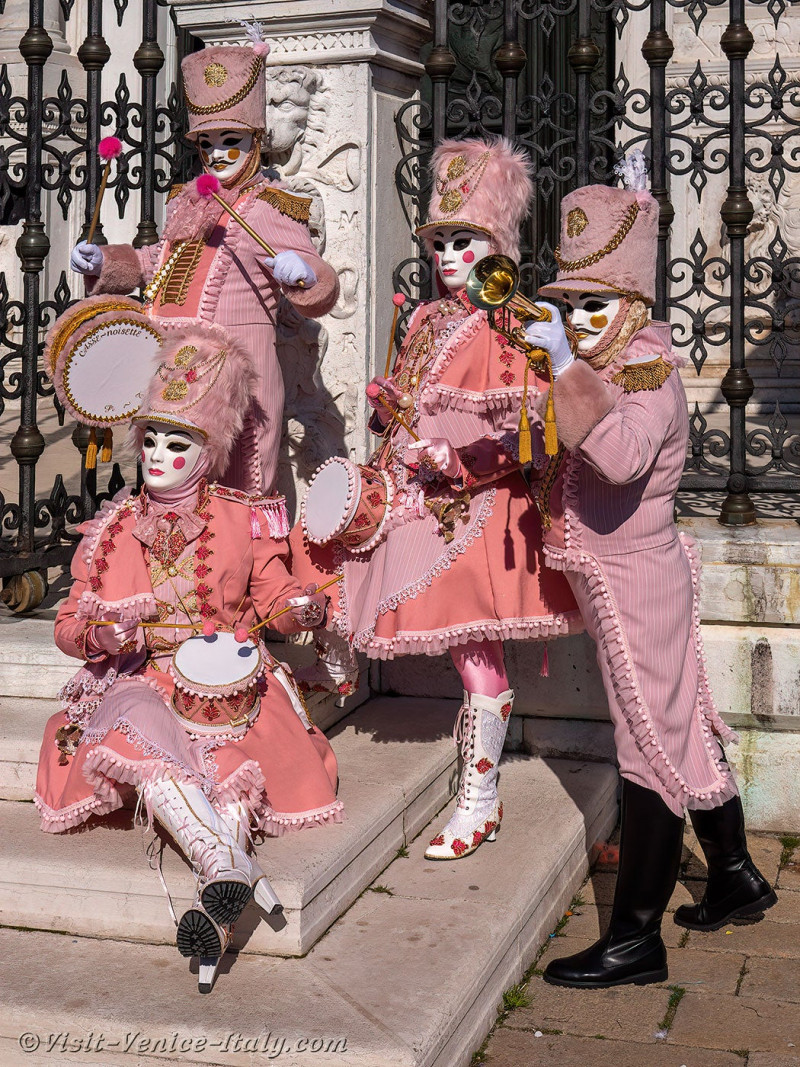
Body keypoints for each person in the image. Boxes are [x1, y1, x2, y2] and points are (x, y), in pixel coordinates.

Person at [517, 151, 777, 988]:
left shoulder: (649, 374)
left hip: (634, 578)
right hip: (621, 574)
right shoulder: (609, 366)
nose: (581, 321)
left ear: (631, 306)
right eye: (572, 307)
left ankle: (635, 938)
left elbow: (622, 457)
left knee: (649, 747)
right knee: (681, 725)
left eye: (595, 306)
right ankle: (734, 874)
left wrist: (565, 366)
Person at [290, 137, 580, 861]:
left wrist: (460, 459)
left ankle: (480, 799)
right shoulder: (424, 319)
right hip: (411, 493)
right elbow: (413, 414)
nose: (448, 255)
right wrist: (390, 410)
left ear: (496, 245)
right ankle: (326, 674)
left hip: (475, 508)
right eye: (440, 242)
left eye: (464, 240)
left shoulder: (513, 322)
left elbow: (535, 433)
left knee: (473, 645)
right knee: (317, 549)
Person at [34, 324, 342, 990]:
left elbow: (277, 596)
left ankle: (219, 887)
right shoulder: (112, 527)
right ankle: (228, 868)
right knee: (136, 727)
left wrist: (304, 610)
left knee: (226, 760)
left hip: (229, 680)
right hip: (141, 677)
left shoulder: (246, 515)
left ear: (209, 451)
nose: (159, 455)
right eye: (150, 439)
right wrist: (101, 637)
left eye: (179, 443)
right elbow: (68, 623)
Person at [69, 21, 339, 493]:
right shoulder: (187, 202)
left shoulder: (270, 205)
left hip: (239, 370)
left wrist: (304, 274)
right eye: (207, 144)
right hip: (176, 369)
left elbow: (321, 282)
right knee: (174, 489)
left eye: (230, 141)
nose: (217, 155)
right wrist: (105, 262)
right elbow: (156, 261)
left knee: (238, 488)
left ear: (255, 141)